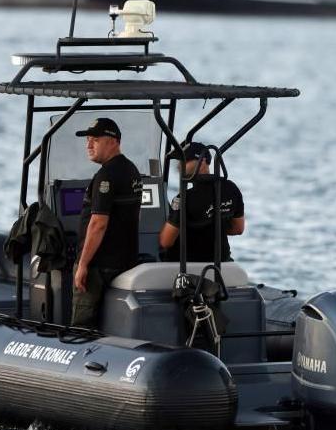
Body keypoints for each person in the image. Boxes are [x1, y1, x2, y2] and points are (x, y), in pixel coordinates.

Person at [71, 118, 142, 327]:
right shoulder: (132, 170)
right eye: (87, 140)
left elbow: (98, 224)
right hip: (124, 262)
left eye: (94, 140)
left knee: (81, 326)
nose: (88, 145)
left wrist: (83, 264)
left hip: (99, 266)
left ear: (113, 141)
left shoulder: (106, 176)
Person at [159, 142, 245, 262]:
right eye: (179, 162)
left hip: (187, 265)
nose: (179, 166)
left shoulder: (184, 198)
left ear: (203, 161)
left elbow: (166, 242)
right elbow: (238, 229)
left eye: (185, 161)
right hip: (221, 262)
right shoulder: (231, 188)